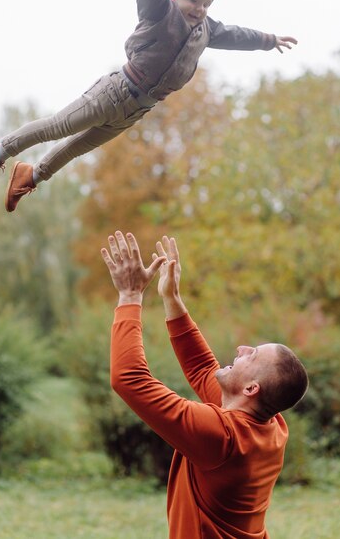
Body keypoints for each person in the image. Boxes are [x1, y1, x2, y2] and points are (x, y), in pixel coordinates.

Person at [0, 0, 297, 212]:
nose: (199, 9)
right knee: (59, 126)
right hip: (116, 92)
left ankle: (30, 176)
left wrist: (269, 41)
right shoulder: (160, 12)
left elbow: (237, 36)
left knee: (76, 148)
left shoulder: (207, 29)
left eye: (207, 4)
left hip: (139, 109)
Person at [101, 230, 308, 539]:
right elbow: (202, 369)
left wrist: (130, 296)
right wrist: (172, 299)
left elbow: (129, 378)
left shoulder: (221, 437)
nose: (242, 348)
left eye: (252, 355)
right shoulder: (271, 426)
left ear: (251, 389)